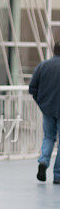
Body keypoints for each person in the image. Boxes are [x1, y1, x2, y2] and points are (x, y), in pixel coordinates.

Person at [28, 42, 60, 184]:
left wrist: (41, 103)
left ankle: (43, 162)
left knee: (48, 137)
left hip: (47, 109)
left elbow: (32, 88)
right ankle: (58, 175)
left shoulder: (43, 66)